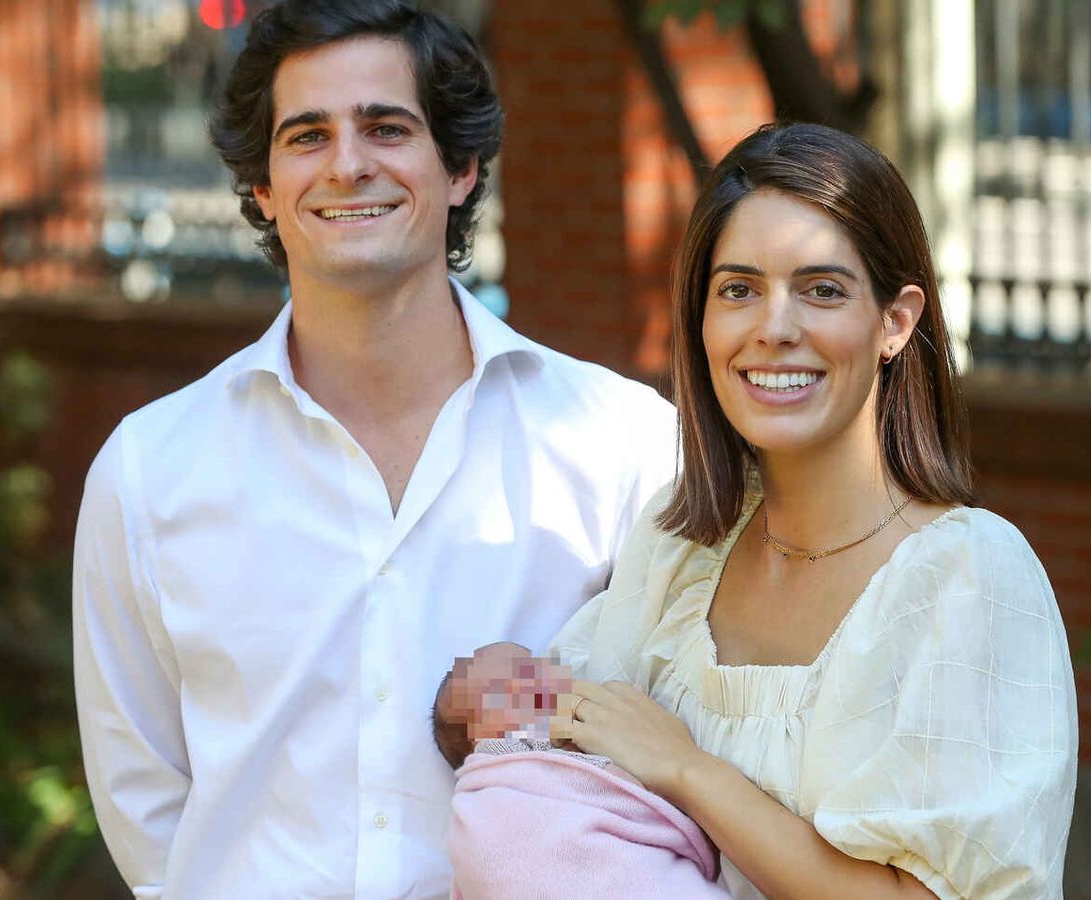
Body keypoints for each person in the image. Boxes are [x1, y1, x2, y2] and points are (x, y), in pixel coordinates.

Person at [71, 2, 676, 897]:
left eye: (386, 127)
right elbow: (144, 797)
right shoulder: (151, 471)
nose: (348, 164)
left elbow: (673, 746)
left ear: (462, 167)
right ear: (265, 188)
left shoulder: (622, 444)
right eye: (306, 135)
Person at [547, 123, 1079, 899]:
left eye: (822, 290)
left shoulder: (970, 578)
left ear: (895, 322)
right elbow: (568, 711)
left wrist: (689, 770)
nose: (775, 327)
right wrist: (479, 696)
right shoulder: (683, 544)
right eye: (738, 290)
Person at [434, 644, 727, 899]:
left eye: (535, 667)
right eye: (512, 682)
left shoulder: (569, 745)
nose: (541, 679)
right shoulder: (485, 804)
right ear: (479, 736)